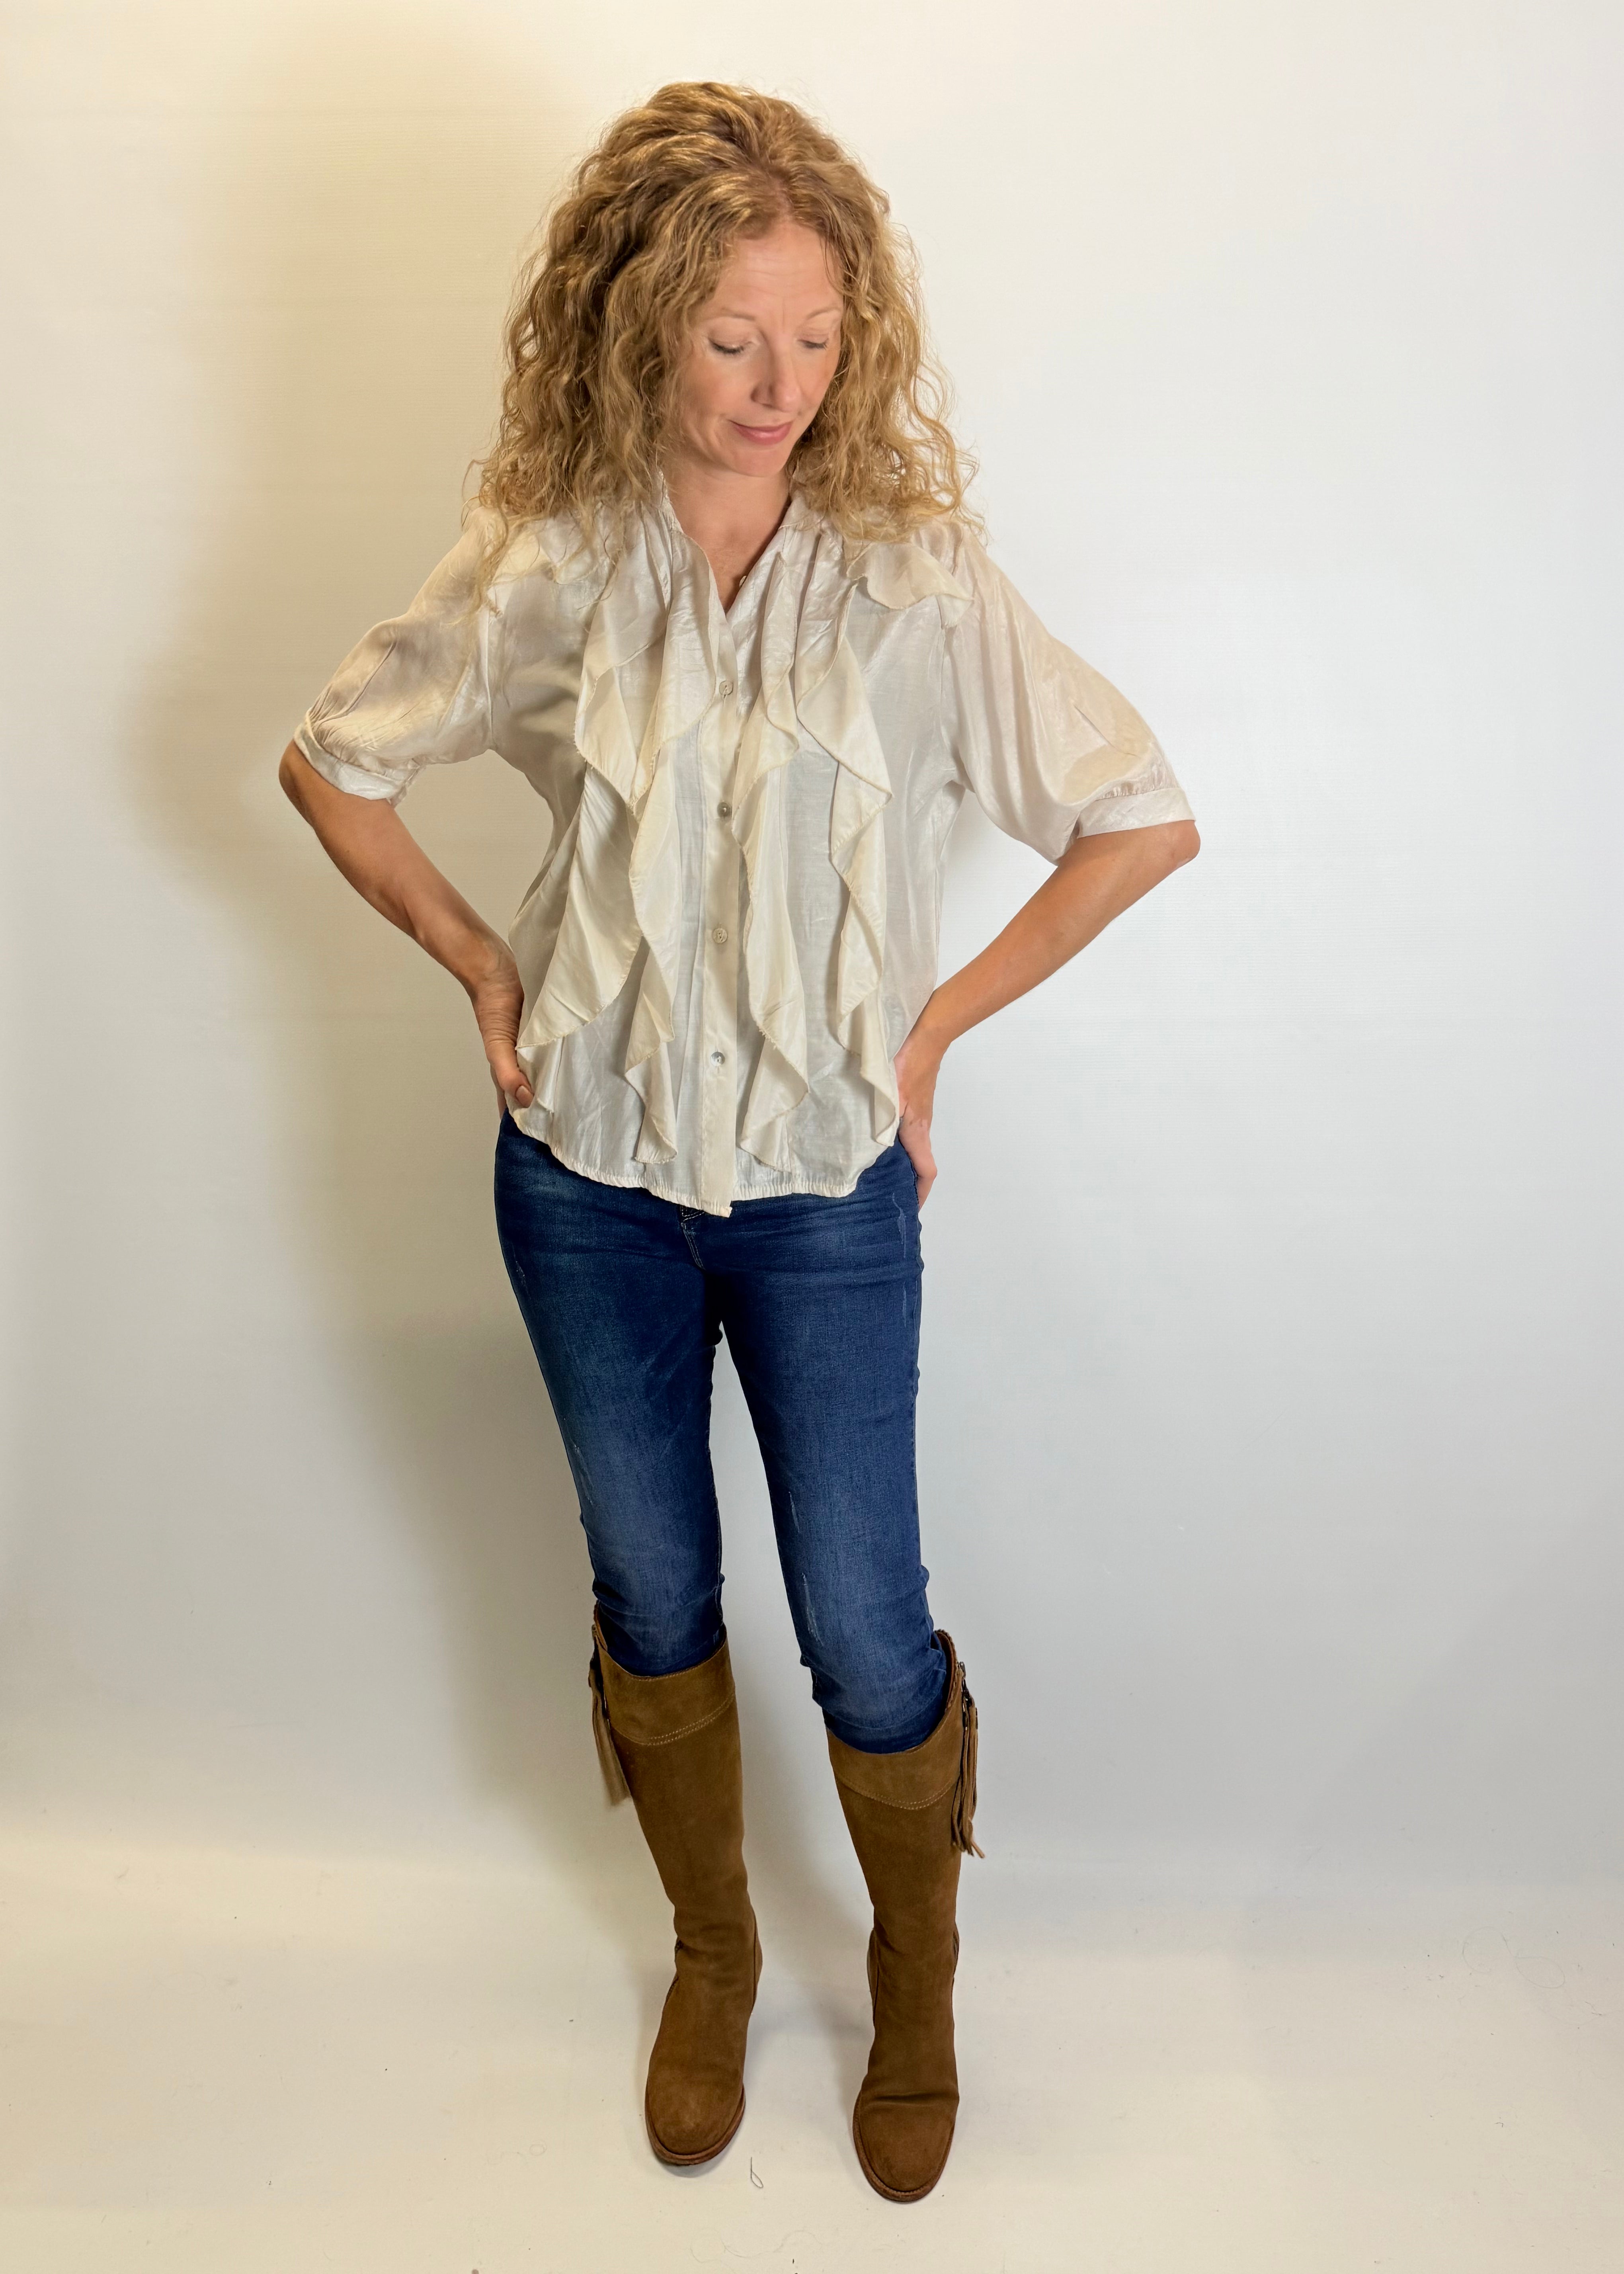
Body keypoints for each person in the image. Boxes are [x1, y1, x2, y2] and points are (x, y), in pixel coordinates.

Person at [278, 81, 1198, 2202]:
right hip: (581, 1183)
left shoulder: (910, 574)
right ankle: (712, 1945)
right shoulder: (550, 557)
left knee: (864, 1618)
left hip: (820, 1202)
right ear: (639, 326)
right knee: (652, 1585)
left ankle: (921, 1974)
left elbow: (1138, 816)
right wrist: (476, 970)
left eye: (818, 334)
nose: (784, 386)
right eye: (732, 340)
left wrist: (935, 1027)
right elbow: (339, 761)